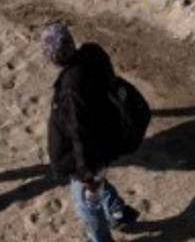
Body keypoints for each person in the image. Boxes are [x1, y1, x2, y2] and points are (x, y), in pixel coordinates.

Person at [43, 22, 140, 242]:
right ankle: (117, 209)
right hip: (108, 136)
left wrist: (85, 173)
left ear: (54, 58)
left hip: (88, 156)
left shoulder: (70, 88)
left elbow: (79, 134)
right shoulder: (92, 52)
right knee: (98, 181)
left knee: (86, 205)